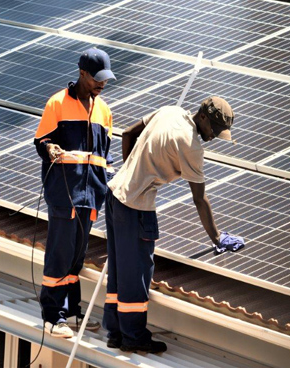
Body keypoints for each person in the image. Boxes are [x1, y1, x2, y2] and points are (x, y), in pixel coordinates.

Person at [103, 96, 245, 353]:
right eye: (213, 129)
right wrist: (217, 237)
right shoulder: (191, 147)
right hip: (136, 207)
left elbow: (127, 133)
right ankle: (133, 337)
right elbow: (199, 199)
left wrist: (129, 172)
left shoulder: (170, 111)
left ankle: (115, 333)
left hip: (114, 196)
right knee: (137, 275)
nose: (213, 137)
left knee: (118, 271)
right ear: (202, 116)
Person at [34, 47, 115, 338]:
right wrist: (49, 148)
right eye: (97, 78)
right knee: (59, 254)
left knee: (76, 258)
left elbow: (104, 156)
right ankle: (51, 316)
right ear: (82, 73)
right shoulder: (57, 103)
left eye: (105, 79)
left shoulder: (104, 110)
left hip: (92, 194)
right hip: (64, 193)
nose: (101, 84)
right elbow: (41, 140)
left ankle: (70, 312)